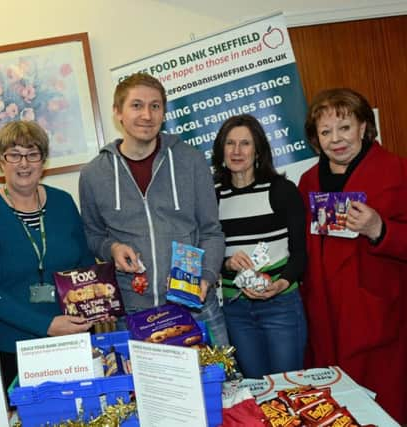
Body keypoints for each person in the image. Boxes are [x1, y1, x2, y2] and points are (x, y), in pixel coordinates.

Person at [79, 73, 228, 346]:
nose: (147, 115)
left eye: (155, 106)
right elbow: (93, 235)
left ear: (163, 113)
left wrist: (206, 278)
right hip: (133, 312)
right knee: (147, 390)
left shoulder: (191, 160)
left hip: (196, 306)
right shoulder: (93, 174)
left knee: (217, 385)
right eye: (136, 105)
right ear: (117, 113)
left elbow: (211, 231)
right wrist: (111, 249)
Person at [299, 88, 407, 424]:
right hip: (323, 321)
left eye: (344, 128)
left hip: (377, 320)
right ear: (316, 139)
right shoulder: (308, 181)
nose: (336, 140)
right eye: (326, 132)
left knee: (383, 411)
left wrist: (380, 228)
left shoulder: (396, 171)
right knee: (333, 412)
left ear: (363, 126)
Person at [0, 120, 95, 390]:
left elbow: (84, 263)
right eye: (14, 155)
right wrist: (47, 325)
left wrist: (97, 305)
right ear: (1, 161)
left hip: (73, 336)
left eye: (32, 154)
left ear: (43, 161)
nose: (23, 163)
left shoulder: (63, 201)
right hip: (17, 347)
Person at [212, 114, 307, 379]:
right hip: (235, 308)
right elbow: (205, 253)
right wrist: (226, 263)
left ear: (258, 151)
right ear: (221, 150)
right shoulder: (213, 195)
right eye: (230, 143)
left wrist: (282, 283)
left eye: (245, 143)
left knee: (287, 386)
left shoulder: (282, 190)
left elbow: (300, 254)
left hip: (280, 304)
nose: (237, 151)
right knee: (255, 389)